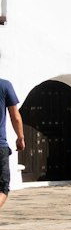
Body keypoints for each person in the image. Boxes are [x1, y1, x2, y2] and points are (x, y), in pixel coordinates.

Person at [0, 75, 25, 213]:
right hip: (0, 145)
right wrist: (20, 137)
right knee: (2, 188)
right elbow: (15, 116)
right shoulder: (5, 85)